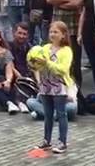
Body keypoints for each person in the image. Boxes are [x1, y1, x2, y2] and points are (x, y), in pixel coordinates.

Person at [28, 20, 74, 153]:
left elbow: (63, 69)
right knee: (48, 114)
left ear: (63, 35)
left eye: (56, 32)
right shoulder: (45, 48)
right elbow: (37, 63)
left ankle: (62, 141)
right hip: (45, 85)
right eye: (51, 32)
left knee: (61, 114)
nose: (52, 34)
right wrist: (33, 64)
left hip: (59, 86)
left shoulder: (67, 51)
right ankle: (46, 140)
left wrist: (47, 63)